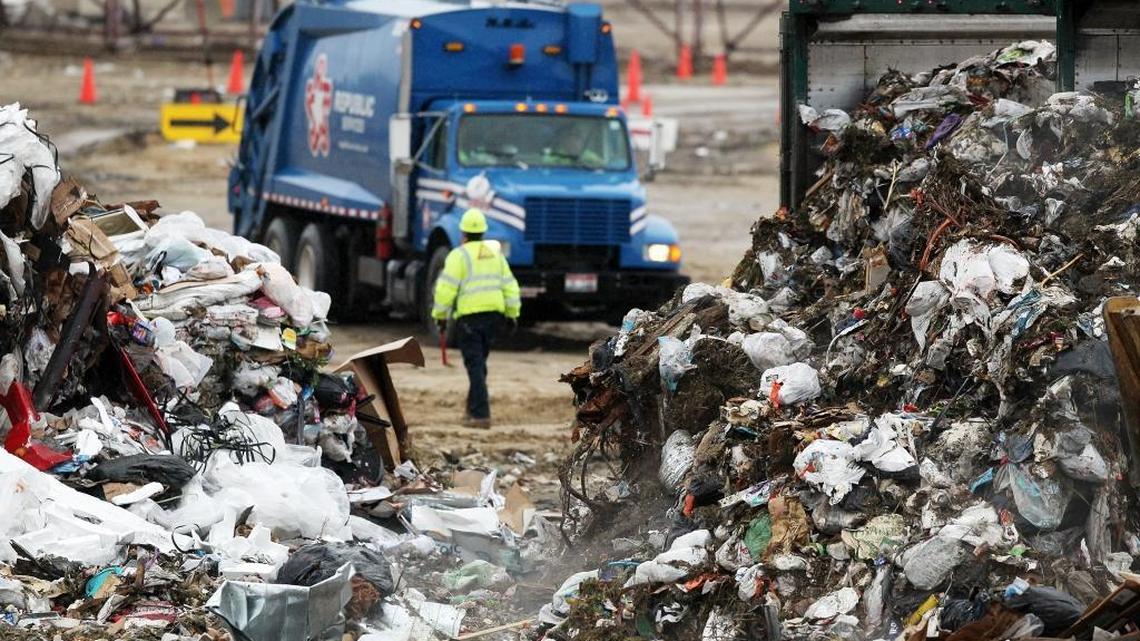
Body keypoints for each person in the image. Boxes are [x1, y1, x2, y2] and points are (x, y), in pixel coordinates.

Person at [431, 208, 521, 429]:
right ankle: (472, 410)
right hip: (494, 316)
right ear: (483, 232)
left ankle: (481, 415)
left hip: (470, 318)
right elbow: (510, 286)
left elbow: (445, 290)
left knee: (475, 365)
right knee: (479, 364)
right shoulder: (496, 255)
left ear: (463, 233)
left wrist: (440, 317)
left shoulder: (458, 256)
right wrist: (512, 315)